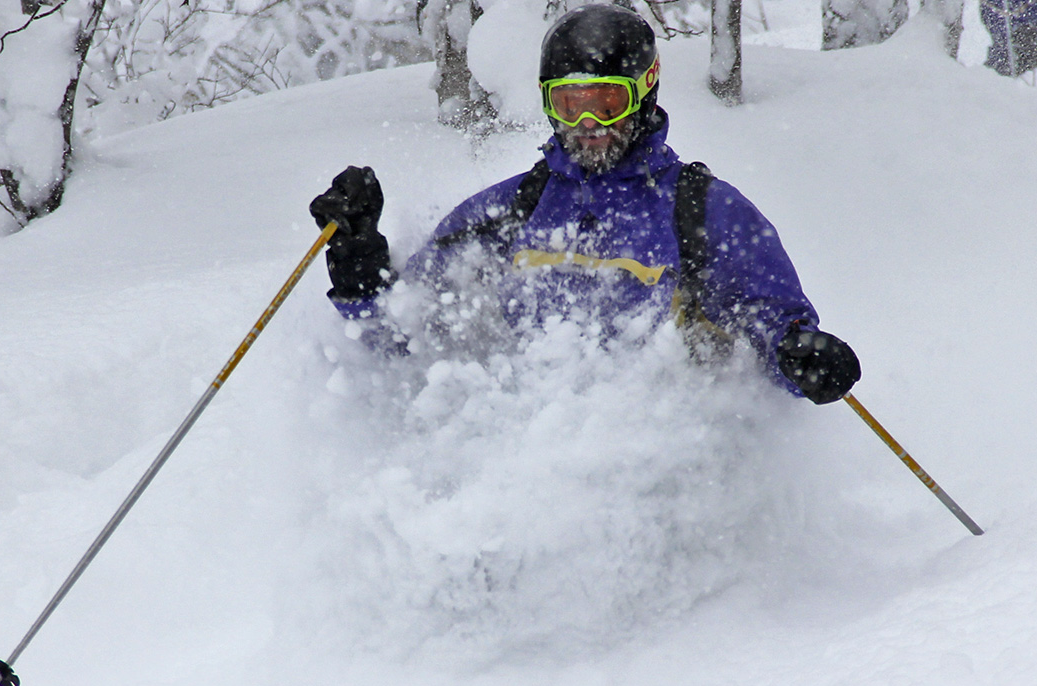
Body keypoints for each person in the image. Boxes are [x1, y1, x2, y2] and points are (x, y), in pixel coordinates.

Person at [309, 4, 860, 405]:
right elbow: (406, 340)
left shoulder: (703, 210)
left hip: (662, 471)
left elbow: (767, 320)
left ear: (644, 91)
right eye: (569, 105)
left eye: (606, 101)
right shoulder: (509, 212)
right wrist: (361, 267)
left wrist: (798, 352)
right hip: (520, 467)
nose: (588, 125)